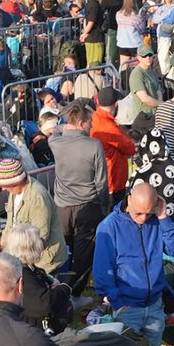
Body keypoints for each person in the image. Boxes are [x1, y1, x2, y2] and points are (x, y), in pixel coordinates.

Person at [92, 183, 174, 346]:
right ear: (129, 200)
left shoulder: (157, 222)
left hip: (155, 305)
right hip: (127, 308)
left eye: (148, 213)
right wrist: (119, 303)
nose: (143, 218)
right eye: (138, 213)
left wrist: (163, 217)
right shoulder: (109, 227)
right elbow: (102, 272)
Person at [50, 101, 109, 285]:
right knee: (84, 252)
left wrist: (67, 125)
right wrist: (105, 205)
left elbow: (55, 130)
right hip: (89, 205)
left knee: (63, 248)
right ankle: (75, 291)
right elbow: (101, 182)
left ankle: (59, 286)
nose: (92, 125)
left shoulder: (55, 142)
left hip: (62, 206)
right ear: (82, 123)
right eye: (90, 122)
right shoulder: (94, 146)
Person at [0, 156, 65, 273]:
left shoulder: (38, 197)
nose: (3, 189)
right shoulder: (14, 192)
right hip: (24, 257)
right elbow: (11, 222)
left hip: (43, 261)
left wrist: (20, 257)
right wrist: (4, 242)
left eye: (5, 185)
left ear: (15, 181)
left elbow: (41, 236)